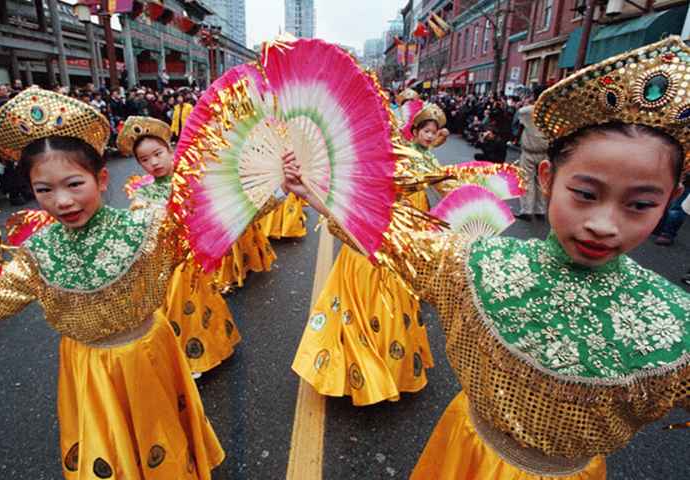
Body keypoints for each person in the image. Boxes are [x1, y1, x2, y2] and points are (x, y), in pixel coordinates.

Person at [286, 37, 689, 479]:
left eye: (639, 205)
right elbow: (394, 237)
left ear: (672, 198)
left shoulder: (676, 322)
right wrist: (320, 191)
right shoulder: (475, 263)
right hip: (466, 455)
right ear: (548, 178)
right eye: (586, 194)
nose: (604, 224)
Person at [0, 88, 234, 478]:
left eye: (74, 184)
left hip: (147, 353)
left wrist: (275, 187)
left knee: (160, 440)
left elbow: (214, 227)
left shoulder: (145, 229)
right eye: (44, 190)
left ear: (102, 178)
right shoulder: (38, 251)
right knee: (108, 448)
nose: (62, 202)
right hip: (88, 366)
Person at [291, 105, 451, 406]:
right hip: (358, 262)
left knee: (387, 317)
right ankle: (360, 375)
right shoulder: (357, 170)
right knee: (352, 320)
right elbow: (342, 213)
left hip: (391, 255)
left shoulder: (404, 167)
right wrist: (307, 193)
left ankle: (384, 374)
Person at [118, 116, 240, 376]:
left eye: (158, 154)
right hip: (162, 261)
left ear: (170, 149)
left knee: (194, 305)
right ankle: (177, 355)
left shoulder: (192, 177)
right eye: (145, 159)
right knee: (169, 308)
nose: (154, 163)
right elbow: (139, 226)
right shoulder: (142, 192)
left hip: (190, 257)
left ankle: (198, 354)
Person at [516, 85, 549, 220]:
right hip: (545, 151)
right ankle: (540, 210)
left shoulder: (527, 111)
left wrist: (526, 103)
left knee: (526, 179)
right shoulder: (550, 111)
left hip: (529, 150)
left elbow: (519, 119)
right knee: (542, 181)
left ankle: (527, 210)